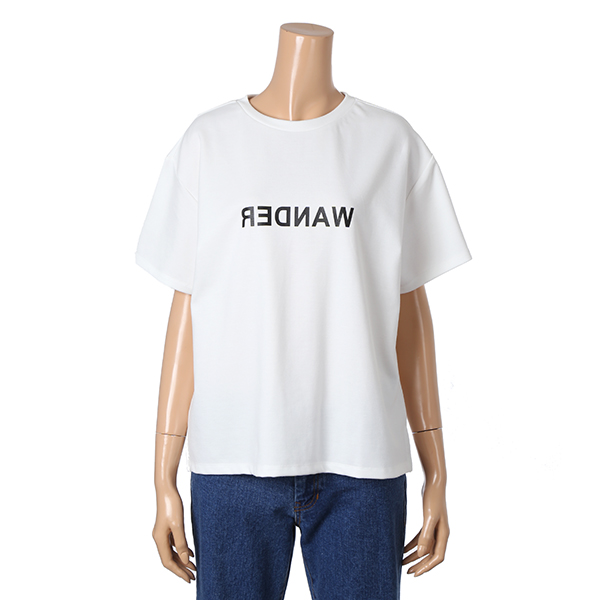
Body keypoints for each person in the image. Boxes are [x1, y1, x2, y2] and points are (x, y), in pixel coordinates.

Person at [135, 22, 472, 600]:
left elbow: (409, 309)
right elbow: (189, 304)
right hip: (233, 459)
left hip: (361, 461)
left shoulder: (390, 142)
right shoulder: (209, 142)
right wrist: (162, 471)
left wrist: (436, 468)